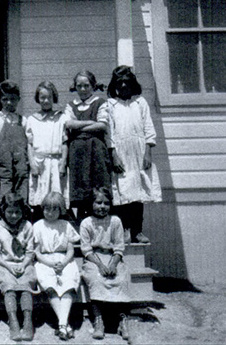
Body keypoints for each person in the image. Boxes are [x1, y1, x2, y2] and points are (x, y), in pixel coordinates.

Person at [106, 66, 162, 243]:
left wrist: (148, 154)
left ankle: (137, 230)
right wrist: (113, 155)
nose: (123, 85)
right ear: (115, 85)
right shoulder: (110, 105)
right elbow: (109, 132)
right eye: (120, 82)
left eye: (127, 82)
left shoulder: (140, 103)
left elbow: (148, 129)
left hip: (138, 153)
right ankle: (124, 230)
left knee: (138, 194)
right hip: (121, 154)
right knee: (122, 193)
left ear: (132, 84)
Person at [80, 187, 131, 340]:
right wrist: (100, 265)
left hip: (112, 257)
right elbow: (86, 249)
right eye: (98, 202)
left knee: (121, 278)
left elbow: (119, 246)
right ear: (91, 204)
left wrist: (114, 264)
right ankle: (98, 320)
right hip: (93, 258)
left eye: (106, 203)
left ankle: (123, 320)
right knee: (96, 279)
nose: (102, 206)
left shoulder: (115, 221)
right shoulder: (86, 223)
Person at [65, 71, 111, 224]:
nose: (83, 89)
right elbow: (68, 123)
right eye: (79, 86)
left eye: (86, 86)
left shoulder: (100, 102)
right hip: (77, 152)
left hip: (96, 150)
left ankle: (100, 222)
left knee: (97, 185)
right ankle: (81, 225)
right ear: (75, 87)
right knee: (79, 186)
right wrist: (91, 123)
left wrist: (79, 127)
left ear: (93, 86)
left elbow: (102, 126)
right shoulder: (71, 105)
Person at [33, 191, 80, 340]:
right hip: (45, 261)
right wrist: (50, 264)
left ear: (61, 210)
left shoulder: (66, 225)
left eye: (55, 209)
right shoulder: (38, 226)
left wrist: (64, 263)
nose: (50, 213)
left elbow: (70, 249)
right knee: (51, 286)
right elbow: (37, 252)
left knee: (68, 284)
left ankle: (61, 324)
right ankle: (64, 324)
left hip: (64, 260)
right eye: (47, 209)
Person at [0, 193, 37, 341]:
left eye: (17, 212)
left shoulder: (27, 226)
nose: (14, 215)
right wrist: (9, 267)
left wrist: (23, 265)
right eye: (10, 212)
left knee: (26, 286)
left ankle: (27, 320)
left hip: (24, 264)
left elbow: (30, 252)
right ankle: (13, 321)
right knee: (9, 287)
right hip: (4, 264)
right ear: (3, 210)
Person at [26, 81, 69, 221]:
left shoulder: (61, 117)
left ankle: (59, 225)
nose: (45, 101)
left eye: (49, 97)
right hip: (39, 164)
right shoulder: (32, 119)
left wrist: (63, 164)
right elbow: (30, 144)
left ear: (54, 98)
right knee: (39, 196)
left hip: (56, 163)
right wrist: (32, 163)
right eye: (42, 97)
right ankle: (39, 225)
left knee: (57, 195)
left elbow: (64, 143)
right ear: (38, 98)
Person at [0, 80, 28, 213]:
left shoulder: (23, 120)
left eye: (13, 99)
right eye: (5, 99)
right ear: (0, 100)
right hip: (3, 168)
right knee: (3, 196)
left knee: (22, 194)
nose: (9, 103)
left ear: (18, 100)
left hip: (20, 167)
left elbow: (29, 143)